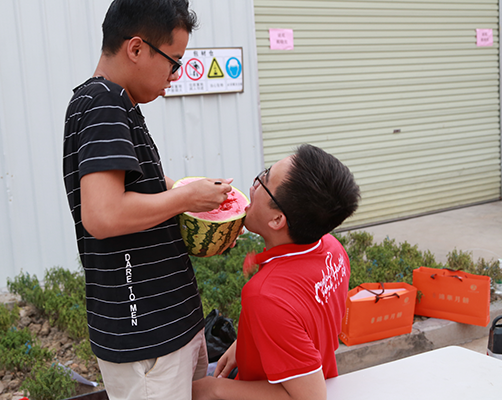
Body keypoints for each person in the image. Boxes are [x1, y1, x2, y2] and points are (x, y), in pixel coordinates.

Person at [62, 1, 233, 399]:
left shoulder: (117, 104)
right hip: (146, 337)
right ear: (136, 48)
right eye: (173, 62)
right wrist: (187, 196)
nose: (175, 75)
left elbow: (143, 189)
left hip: (168, 327)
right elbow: (103, 215)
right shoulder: (103, 104)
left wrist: (204, 208)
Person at [192, 144, 361, 400]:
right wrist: (247, 343)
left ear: (277, 220)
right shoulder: (332, 248)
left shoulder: (265, 296)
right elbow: (307, 320)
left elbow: (310, 397)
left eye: (264, 180)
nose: (253, 186)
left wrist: (211, 389)